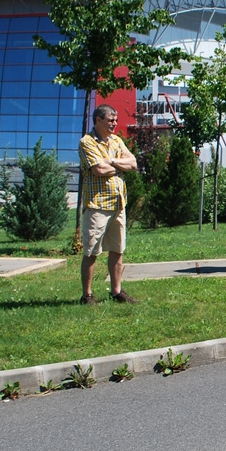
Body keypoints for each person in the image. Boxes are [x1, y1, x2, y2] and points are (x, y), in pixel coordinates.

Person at [79, 104, 139, 304]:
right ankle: (87, 295)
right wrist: (118, 166)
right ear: (98, 120)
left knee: (117, 249)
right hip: (97, 205)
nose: (114, 124)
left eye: (115, 120)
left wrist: (111, 162)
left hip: (118, 204)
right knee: (92, 251)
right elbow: (98, 170)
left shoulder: (116, 140)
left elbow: (133, 163)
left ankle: (116, 292)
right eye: (110, 120)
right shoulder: (87, 142)